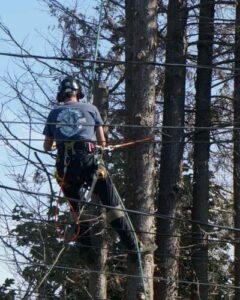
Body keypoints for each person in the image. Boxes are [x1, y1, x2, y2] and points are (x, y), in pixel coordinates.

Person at [43, 76, 137, 251]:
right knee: (111, 203)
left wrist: (60, 140)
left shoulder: (54, 113)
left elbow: (46, 147)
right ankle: (132, 246)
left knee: (77, 208)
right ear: (78, 93)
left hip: (66, 167)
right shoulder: (91, 108)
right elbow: (102, 142)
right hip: (89, 162)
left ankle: (86, 251)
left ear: (61, 96)